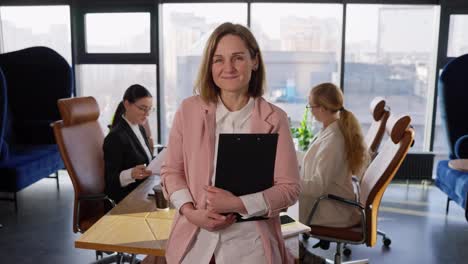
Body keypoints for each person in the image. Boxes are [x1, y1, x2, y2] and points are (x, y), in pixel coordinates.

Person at [161, 22, 301, 264]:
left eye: (238, 58)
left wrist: (237, 204)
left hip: (251, 245)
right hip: (196, 241)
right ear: (209, 65)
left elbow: (289, 188)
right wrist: (190, 212)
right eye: (218, 60)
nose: (228, 68)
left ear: (254, 61)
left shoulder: (275, 118)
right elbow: (172, 172)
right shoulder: (188, 111)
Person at [299, 82, 369, 228]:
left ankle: (295, 249)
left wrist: (289, 183)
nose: (310, 111)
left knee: (275, 208)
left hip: (330, 209)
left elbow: (317, 187)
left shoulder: (334, 141)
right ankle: (293, 248)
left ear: (323, 108)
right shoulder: (330, 129)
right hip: (327, 202)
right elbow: (315, 157)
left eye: (311, 106)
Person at [103, 84, 155, 203]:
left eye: (149, 109)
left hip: (144, 190)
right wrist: (131, 174)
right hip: (128, 198)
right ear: (127, 104)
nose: (147, 114)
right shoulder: (115, 138)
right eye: (142, 108)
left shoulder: (139, 127)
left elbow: (146, 161)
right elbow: (111, 184)